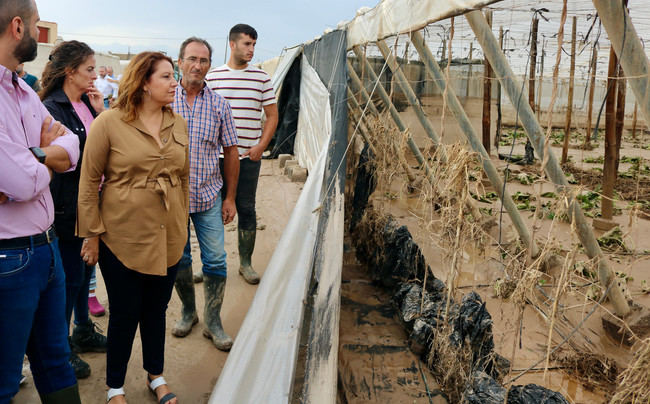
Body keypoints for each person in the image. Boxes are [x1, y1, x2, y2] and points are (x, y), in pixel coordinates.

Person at [77, 51, 188, 404]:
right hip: (121, 237)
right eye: (167, 77)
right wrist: (92, 235)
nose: (175, 83)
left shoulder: (178, 123)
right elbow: (89, 182)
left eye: (174, 76)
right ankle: (115, 387)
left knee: (156, 310)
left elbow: (183, 178)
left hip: (169, 236)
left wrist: (182, 224)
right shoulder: (108, 122)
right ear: (143, 82)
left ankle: (156, 376)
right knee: (124, 314)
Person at [0, 0, 82, 402]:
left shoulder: (21, 89)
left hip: (46, 250)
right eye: (36, 24)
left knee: (56, 362)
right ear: (18, 27)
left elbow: (72, 143)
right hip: (8, 261)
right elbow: (20, 180)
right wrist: (41, 158)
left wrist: (31, 157)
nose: (38, 33)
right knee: (3, 378)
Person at [40, 40, 107, 380]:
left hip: (90, 204)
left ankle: (82, 329)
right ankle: (61, 348)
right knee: (69, 278)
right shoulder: (52, 108)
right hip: (67, 207)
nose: (96, 75)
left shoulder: (84, 104)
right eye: (90, 69)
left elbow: (101, 144)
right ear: (70, 72)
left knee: (84, 274)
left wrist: (98, 112)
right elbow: (68, 157)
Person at [171, 37, 239, 349]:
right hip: (170, 199)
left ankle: (213, 319)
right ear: (179, 61)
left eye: (204, 60)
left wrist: (229, 197)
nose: (198, 65)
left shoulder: (219, 104)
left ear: (209, 65)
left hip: (208, 196)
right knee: (180, 259)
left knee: (215, 260)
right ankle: (189, 312)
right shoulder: (162, 98)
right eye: (192, 59)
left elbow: (231, 152)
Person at [206, 23, 278, 285]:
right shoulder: (213, 77)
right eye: (247, 44)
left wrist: (261, 145)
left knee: (246, 208)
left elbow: (272, 115)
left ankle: (245, 263)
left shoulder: (261, 78)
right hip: (214, 158)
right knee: (209, 209)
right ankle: (210, 262)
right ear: (232, 44)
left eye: (254, 45)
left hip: (247, 158)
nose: (251, 49)